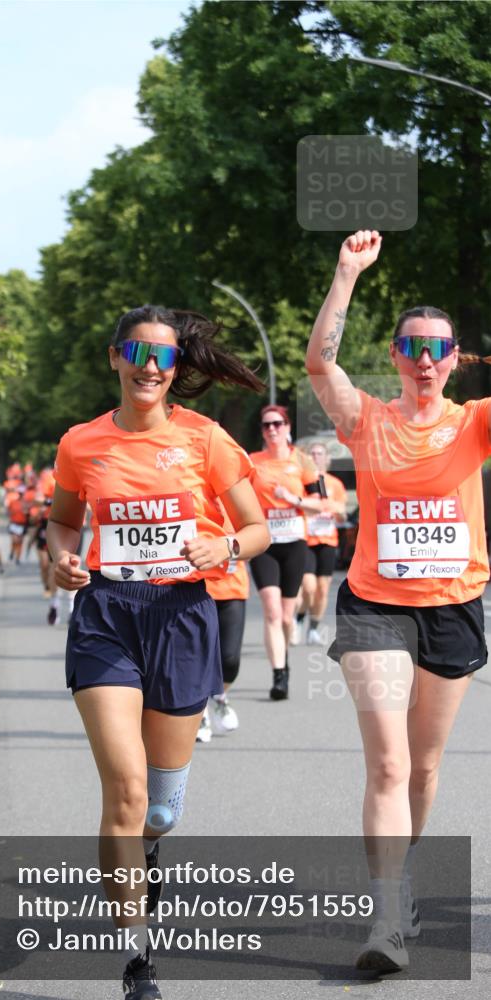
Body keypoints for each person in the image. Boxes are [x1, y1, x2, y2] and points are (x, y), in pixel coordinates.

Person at [46, 305, 269, 1000]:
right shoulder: (81, 443)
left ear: (175, 369)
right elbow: (60, 522)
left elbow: (259, 528)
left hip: (182, 615)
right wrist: (60, 562)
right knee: (126, 790)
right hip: (107, 615)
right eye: (136, 354)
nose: (149, 367)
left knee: (160, 811)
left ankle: (149, 849)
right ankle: (138, 960)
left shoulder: (206, 440)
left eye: (163, 358)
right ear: (114, 357)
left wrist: (223, 546)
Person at [306, 229, 491, 974]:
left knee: (421, 769)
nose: (422, 359)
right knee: (385, 765)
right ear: (392, 356)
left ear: (453, 360)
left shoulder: (473, 422)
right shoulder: (367, 421)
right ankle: (384, 919)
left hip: (452, 605)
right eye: (410, 346)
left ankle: (403, 878)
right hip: (374, 606)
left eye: (436, 349)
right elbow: (320, 360)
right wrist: (347, 272)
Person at [248, 406, 328, 701]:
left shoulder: (303, 461)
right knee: (271, 609)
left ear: (287, 427)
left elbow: (319, 504)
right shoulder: (253, 462)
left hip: (294, 542)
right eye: (266, 425)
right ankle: (278, 675)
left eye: (277, 424)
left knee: (285, 615)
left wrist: (291, 499)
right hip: (264, 543)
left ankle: (286, 657)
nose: (272, 429)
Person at [198, 510, 249, 742]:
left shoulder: (237, 498)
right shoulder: (191, 490)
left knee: (230, 661)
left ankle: (219, 696)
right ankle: (199, 716)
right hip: (193, 592)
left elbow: (257, 536)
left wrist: (227, 548)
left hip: (232, 590)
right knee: (196, 659)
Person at [293, 441, 348, 645]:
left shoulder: (335, 484)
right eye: (312, 454)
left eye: (320, 454)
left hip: (328, 539)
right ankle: (298, 618)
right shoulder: (302, 483)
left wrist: (336, 509)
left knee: (322, 589)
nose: (316, 457)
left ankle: (313, 629)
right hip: (306, 539)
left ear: (327, 459)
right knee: (308, 587)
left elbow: (342, 517)